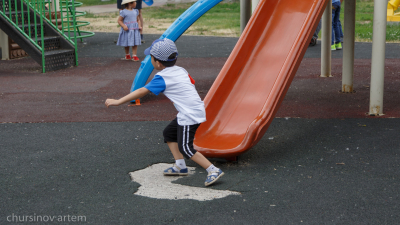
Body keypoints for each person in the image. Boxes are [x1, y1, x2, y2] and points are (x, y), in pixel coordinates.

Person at [105, 38, 225, 187]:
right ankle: (180, 166)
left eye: (151, 58)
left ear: (158, 63)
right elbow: (191, 83)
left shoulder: (162, 78)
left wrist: (118, 101)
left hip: (190, 114)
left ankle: (213, 170)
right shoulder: (181, 70)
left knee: (186, 148)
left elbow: (142, 90)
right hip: (189, 111)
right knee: (169, 133)